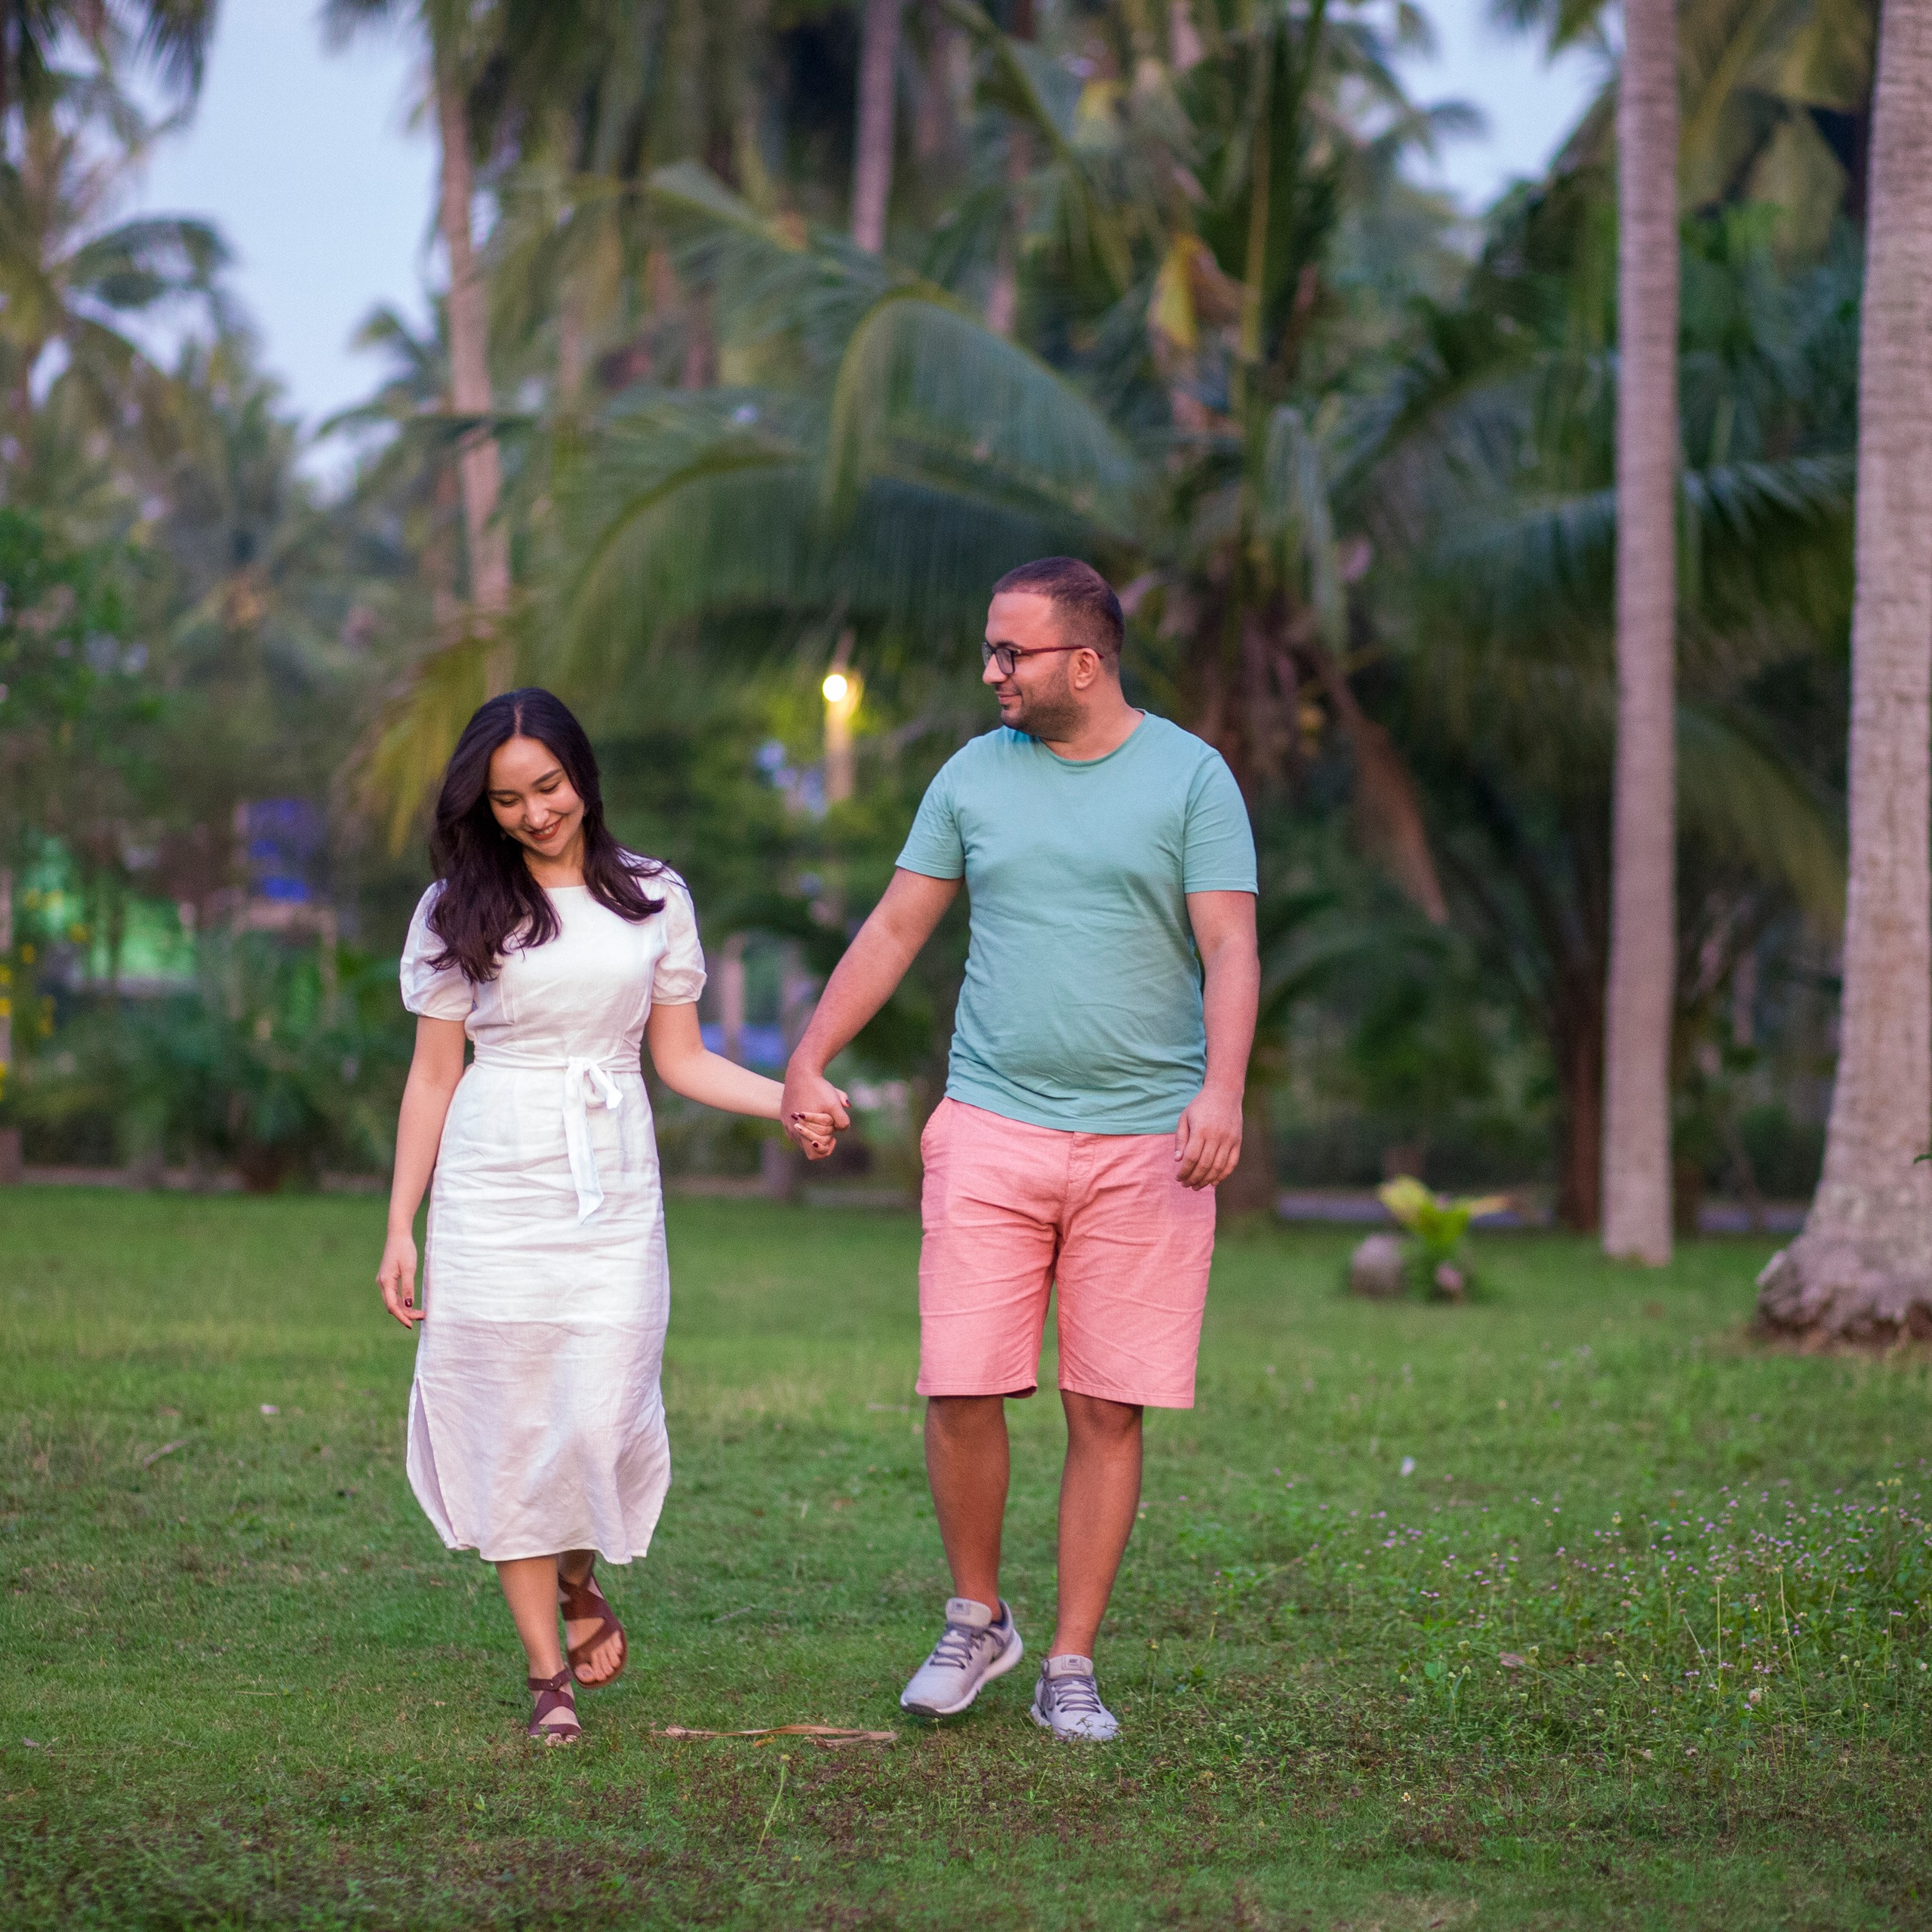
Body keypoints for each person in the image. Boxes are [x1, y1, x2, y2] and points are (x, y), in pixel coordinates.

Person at [781, 557, 1259, 1742]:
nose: (991, 669)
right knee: (958, 1381)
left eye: (1013, 652)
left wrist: (1222, 1091)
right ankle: (977, 1617)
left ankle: (1071, 1662)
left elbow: (1231, 948)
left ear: (1084, 663)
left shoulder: (1193, 779)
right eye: (991, 648)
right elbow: (896, 927)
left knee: (1108, 1406)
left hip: (1147, 1142)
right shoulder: (969, 778)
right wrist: (808, 1055)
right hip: (992, 1119)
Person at [377, 688, 838, 1746]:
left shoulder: (651, 895)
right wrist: (401, 1226)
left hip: (611, 1183)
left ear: (582, 775)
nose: (535, 813)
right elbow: (431, 1080)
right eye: (508, 800)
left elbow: (679, 1059)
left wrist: (789, 1098)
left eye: (548, 787)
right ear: (481, 808)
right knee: (505, 1419)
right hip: (494, 1180)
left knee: (599, 1408)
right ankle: (547, 1676)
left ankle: (580, 1578)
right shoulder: (457, 909)